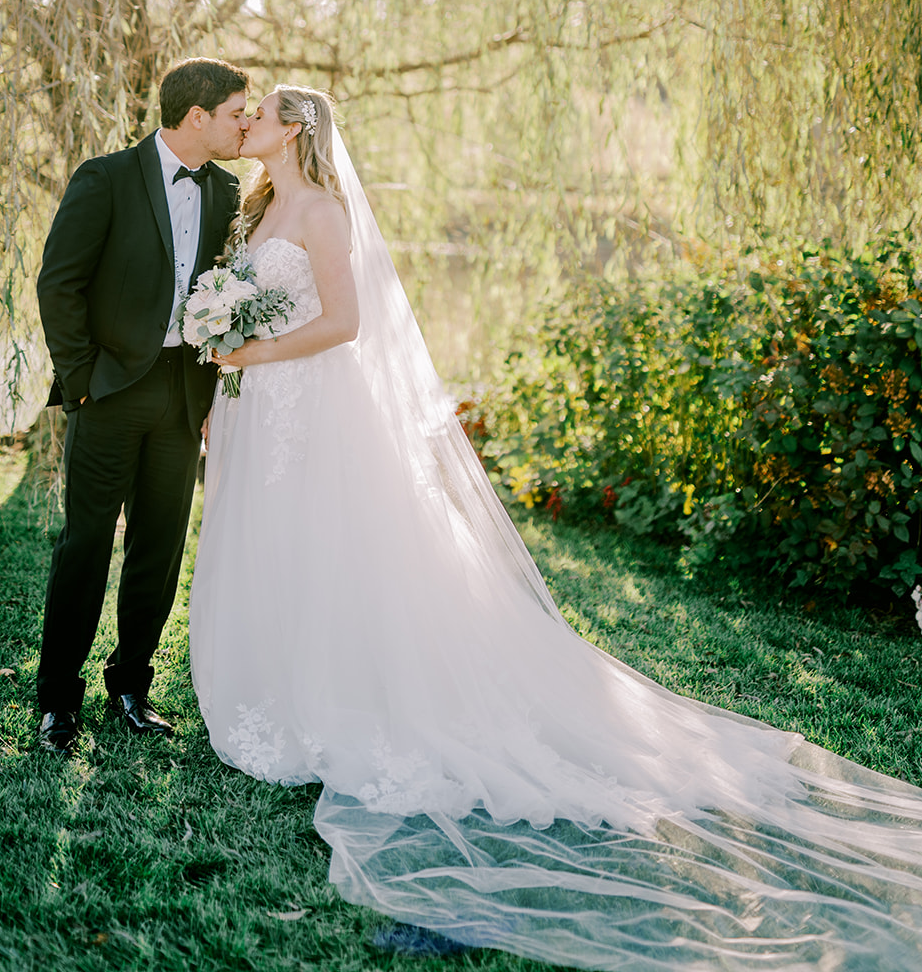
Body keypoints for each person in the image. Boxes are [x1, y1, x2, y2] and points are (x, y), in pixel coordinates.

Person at [189, 82, 922, 971]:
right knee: (279, 549)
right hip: (264, 406)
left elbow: (344, 324)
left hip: (307, 403)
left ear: (296, 127)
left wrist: (249, 347)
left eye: (259, 111)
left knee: (328, 549)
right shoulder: (258, 205)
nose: (246, 122)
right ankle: (279, 689)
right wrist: (229, 348)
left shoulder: (326, 214)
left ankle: (336, 701)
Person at [35, 56, 249, 755]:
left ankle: (130, 687)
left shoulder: (228, 191)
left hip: (184, 393)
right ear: (197, 117)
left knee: (157, 547)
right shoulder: (105, 178)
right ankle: (57, 702)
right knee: (86, 545)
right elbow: (58, 284)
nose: (242, 124)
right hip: (110, 389)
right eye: (235, 113)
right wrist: (81, 379)